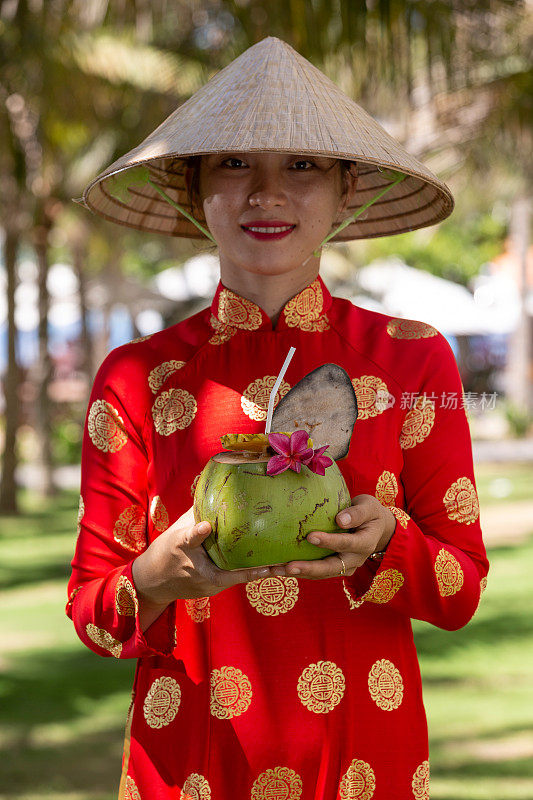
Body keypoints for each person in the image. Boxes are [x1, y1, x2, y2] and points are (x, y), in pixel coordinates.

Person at [67, 37, 489, 800]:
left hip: (365, 753)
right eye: (233, 165)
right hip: (190, 753)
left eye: (302, 166)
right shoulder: (138, 375)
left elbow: (459, 591)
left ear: (344, 190)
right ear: (192, 192)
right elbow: (94, 617)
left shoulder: (411, 359)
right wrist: (155, 579)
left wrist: (388, 541)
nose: (266, 194)